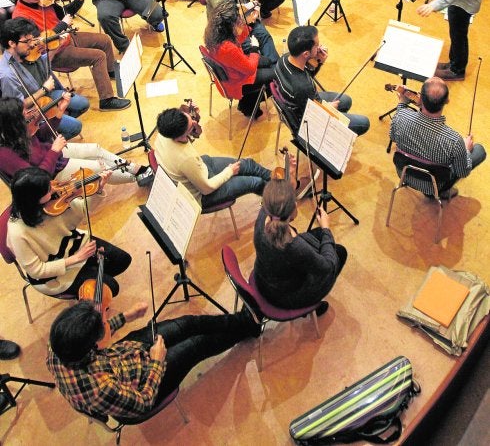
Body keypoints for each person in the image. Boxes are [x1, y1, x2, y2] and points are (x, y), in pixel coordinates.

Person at [47, 298, 259, 421]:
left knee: (186, 324)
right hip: (147, 383)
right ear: (93, 345)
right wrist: (157, 362)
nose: (107, 322)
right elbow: (143, 403)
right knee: (197, 344)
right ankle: (249, 326)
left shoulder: (59, 344)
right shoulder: (98, 389)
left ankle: (240, 320)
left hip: (125, 354)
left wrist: (127, 316)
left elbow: (98, 331)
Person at [12, 0, 131, 111]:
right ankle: (107, 100)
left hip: (67, 38)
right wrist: (62, 25)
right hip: (55, 53)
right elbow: (40, 44)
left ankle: (109, 72)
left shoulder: (43, 0)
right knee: (98, 56)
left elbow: (66, 13)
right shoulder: (21, 18)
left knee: (104, 40)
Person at [6, 166, 131, 297]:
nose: (54, 188)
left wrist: (98, 189)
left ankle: (90, 277)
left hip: (77, 245)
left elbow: (83, 209)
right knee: (111, 288)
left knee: (122, 260)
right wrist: (77, 258)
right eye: (48, 189)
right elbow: (37, 271)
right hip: (56, 276)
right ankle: (87, 287)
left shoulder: (53, 203)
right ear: (34, 199)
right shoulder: (17, 232)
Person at [0, 96, 152, 187]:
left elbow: (43, 136)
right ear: (12, 121)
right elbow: (38, 179)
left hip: (55, 155)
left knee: (95, 149)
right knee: (98, 168)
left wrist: (58, 114)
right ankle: (137, 178)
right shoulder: (5, 154)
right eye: (23, 113)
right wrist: (54, 151)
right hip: (52, 172)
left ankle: (135, 168)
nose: (28, 114)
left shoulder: (19, 130)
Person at [253, 177, 347, 312]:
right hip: (284, 296)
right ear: (293, 208)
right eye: (295, 201)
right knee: (339, 252)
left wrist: (290, 174)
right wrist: (326, 228)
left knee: (319, 237)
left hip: (263, 279)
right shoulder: (294, 246)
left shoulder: (265, 213)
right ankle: (310, 307)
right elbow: (327, 267)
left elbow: (278, 194)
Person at [390, 77, 486, 198]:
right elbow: (463, 171)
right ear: (447, 101)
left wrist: (402, 103)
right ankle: (437, 193)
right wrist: (466, 149)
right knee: (479, 150)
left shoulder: (401, 116)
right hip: (435, 185)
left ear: (420, 98)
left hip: (404, 174)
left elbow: (393, 136)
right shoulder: (454, 140)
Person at [155, 106, 271, 206]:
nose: (195, 124)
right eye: (191, 127)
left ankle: (278, 178)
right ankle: (278, 201)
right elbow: (206, 188)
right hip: (204, 193)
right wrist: (229, 171)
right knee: (256, 183)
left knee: (249, 164)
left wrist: (192, 129)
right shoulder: (185, 159)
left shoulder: (164, 132)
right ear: (180, 137)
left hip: (201, 167)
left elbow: (184, 146)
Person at [0, 18, 89, 140]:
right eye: (27, 41)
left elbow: (44, 62)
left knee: (83, 104)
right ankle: (46, 140)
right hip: (34, 111)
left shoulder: (25, 52)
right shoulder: (7, 75)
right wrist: (43, 90)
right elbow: (18, 106)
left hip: (47, 95)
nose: (32, 44)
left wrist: (55, 48)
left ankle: (54, 126)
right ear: (11, 43)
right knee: (75, 127)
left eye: (32, 39)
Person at [274, 25, 370, 137]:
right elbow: (315, 113)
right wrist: (328, 109)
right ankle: (336, 134)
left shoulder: (285, 58)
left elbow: (306, 76)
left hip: (302, 103)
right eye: (316, 45)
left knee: (346, 100)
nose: (319, 47)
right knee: (364, 123)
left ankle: (339, 126)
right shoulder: (302, 87)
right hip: (307, 121)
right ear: (305, 54)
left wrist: (319, 61)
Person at [204, 1, 275, 118]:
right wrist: (254, 48)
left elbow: (239, 38)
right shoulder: (227, 48)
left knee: (267, 62)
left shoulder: (216, 33)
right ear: (231, 26)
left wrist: (249, 20)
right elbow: (250, 69)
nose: (241, 23)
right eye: (239, 22)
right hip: (235, 82)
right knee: (274, 74)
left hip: (230, 72)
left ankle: (249, 102)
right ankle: (248, 104)